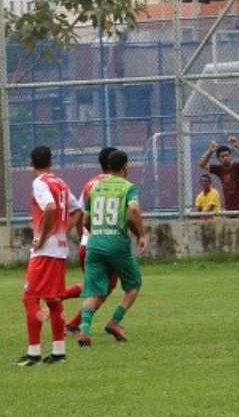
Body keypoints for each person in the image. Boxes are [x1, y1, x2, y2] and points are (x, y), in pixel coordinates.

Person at [75, 149, 148, 347]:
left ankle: (83, 331)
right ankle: (114, 322)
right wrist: (142, 234)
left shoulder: (95, 187)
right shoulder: (128, 187)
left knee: (95, 292)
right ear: (125, 166)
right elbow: (133, 210)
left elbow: (86, 219)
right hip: (117, 244)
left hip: (94, 244)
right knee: (133, 285)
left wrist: (96, 232)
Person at [17, 145, 80, 366]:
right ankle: (58, 352)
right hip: (60, 250)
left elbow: (51, 208)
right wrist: (63, 230)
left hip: (45, 251)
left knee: (30, 298)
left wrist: (44, 238)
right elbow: (77, 210)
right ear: (51, 162)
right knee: (53, 299)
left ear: (31, 163)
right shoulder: (60, 182)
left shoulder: (39, 183)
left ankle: (34, 353)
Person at [62, 146, 119, 337]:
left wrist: (82, 238)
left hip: (87, 244)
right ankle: (58, 300)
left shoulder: (89, 185)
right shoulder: (119, 185)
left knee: (95, 287)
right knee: (102, 289)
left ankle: (71, 321)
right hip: (107, 244)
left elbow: (80, 214)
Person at [199, 136, 239, 210]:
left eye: (227, 155)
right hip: (229, 208)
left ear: (230, 156)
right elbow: (202, 164)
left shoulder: (238, 167)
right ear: (219, 159)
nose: (225, 158)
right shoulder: (219, 169)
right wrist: (210, 151)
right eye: (222, 156)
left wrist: (238, 146)